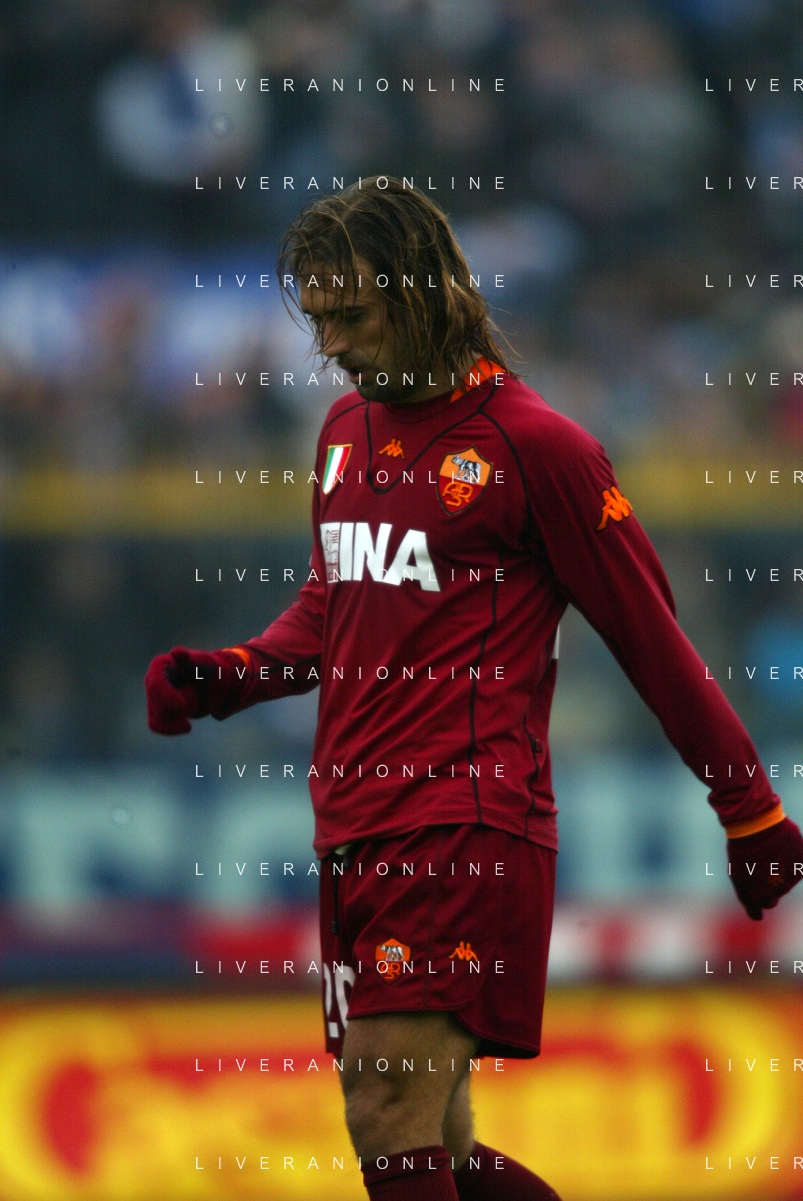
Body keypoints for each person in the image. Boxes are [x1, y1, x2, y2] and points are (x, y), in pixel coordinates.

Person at [146, 177, 803, 1201]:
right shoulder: (341, 431)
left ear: (422, 290)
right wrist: (230, 676)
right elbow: (334, 606)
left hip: (463, 823)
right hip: (353, 828)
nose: (331, 345)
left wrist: (748, 808)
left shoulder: (537, 448)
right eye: (317, 320)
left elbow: (653, 642)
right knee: (434, 1142)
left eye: (351, 315)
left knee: (384, 1108)